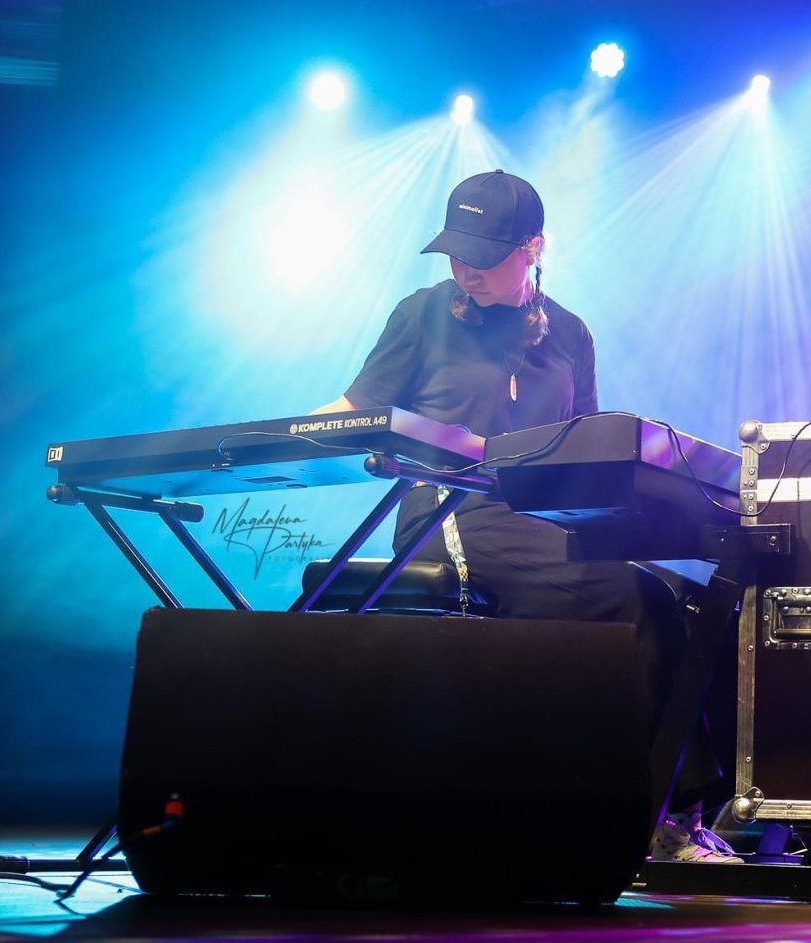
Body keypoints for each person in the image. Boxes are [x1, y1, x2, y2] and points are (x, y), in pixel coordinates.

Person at [315, 170, 738, 863]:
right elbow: (356, 407)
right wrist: (275, 434)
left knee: (693, 601)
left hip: (545, 519)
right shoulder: (420, 314)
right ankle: (665, 820)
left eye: (483, 255)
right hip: (450, 511)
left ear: (534, 246)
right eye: (456, 253)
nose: (465, 270)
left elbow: (589, 449)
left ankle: (684, 806)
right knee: (632, 597)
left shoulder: (570, 333)